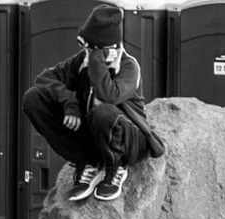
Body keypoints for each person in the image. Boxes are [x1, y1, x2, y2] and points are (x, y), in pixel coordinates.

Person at [22, 4, 154, 202]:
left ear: (106, 49)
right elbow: (45, 79)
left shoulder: (129, 67)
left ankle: (115, 167)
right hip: (95, 137)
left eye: (90, 49)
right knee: (33, 98)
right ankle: (88, 161)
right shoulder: (82, 61)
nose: (85, 52)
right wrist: (70, 102)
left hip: (130, 141)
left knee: (104, 112)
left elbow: (109, 95)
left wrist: (96, 63)